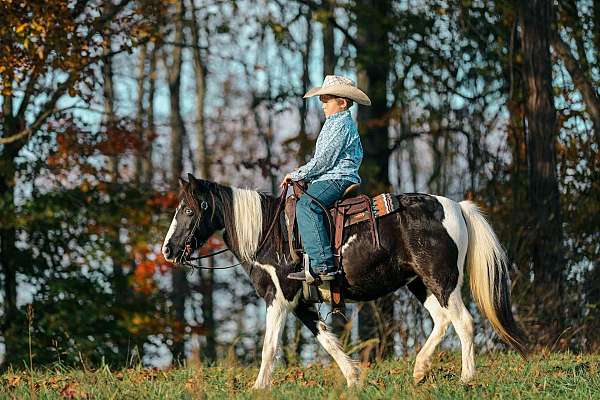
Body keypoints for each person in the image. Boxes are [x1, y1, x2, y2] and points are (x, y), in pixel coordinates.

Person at [283, 75, 371, 281]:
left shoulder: (340, 125)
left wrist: (297, 174)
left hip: (337, 177)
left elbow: (323, 161)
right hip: (329, 176)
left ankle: (323, 264)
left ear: (342, 103)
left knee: (306, 206)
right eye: (321, 100)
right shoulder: (333, 123)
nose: (322, 104)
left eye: (326, 99)